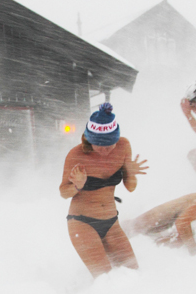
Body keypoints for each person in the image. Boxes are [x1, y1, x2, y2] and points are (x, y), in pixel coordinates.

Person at [60, 103, 148, 277]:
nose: (105, 151)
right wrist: (77, 185)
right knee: (105, 278)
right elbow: (63, 192)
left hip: (111, 223)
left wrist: (130, 171)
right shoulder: (76, 155)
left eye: (109, 145)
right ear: (89, 139)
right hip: (82, 223)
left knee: (133, 274)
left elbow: (130, 187)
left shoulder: (123, 146)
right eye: (99, 146)